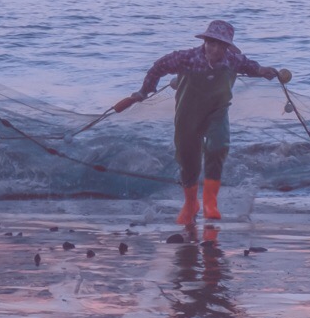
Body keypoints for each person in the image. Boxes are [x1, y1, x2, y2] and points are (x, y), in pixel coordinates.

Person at [111, 20, 290, 225]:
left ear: (227, 47)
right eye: (211, 43)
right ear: (204, 41)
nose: (215, 48)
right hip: (187, 114)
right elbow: (158, 67)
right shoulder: (185, 58)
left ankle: (210, 201)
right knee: (188, 158)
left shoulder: (233, 60)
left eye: (220, 45)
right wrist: (145, 90)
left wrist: (264, 71)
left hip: (217, 111)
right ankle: (190, 204)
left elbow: (251, 66)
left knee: (219, 145)